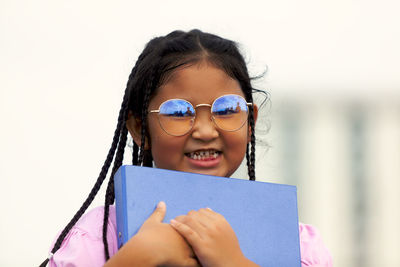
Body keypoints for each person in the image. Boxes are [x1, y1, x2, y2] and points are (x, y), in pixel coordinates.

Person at [40, 29, 333, 267]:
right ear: (140, 129)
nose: (205, 131)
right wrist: (135, 260)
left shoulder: (298, 246)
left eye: (227, 108)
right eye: (179, 112)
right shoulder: (97, 238)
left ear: (250, 122)